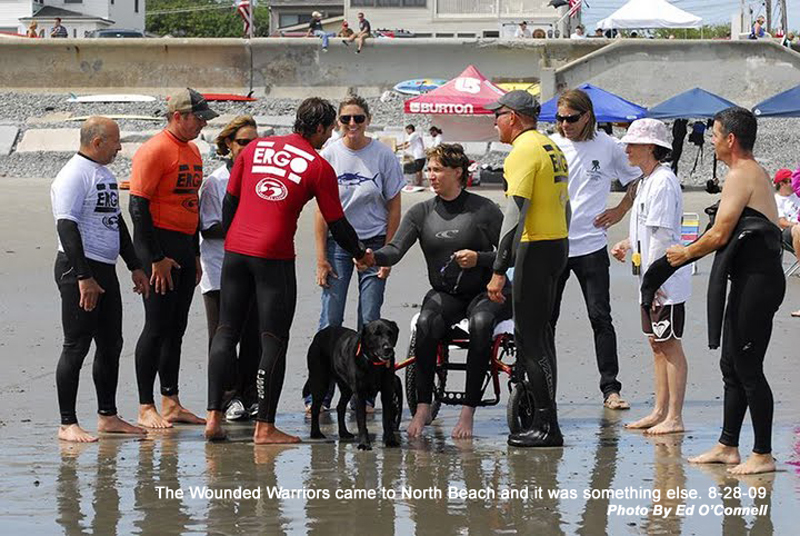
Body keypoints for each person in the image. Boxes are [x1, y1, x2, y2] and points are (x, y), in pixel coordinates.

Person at [204, 98, 368, 443]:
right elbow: (337, 222)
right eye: (331, 129)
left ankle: (213, 419)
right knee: (273, 339)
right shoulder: (318, 166)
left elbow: (229, 202)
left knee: (226, 331)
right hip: (274, 255)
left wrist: (236, 239)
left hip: (235, 252)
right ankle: (264, 427)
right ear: (322, 128)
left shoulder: (255, 149)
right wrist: (361, 254)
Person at [650, 107, 784, 475]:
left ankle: (764, 454)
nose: (710, 140)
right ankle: (728, 445)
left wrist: (684, 254)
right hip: (747, 278)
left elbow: (721, 233)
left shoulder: (743, 174)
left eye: (714, 134)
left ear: (730, 140)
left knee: (748, 366)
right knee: (731, 364)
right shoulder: (742, 174)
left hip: (759, 280)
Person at [359, 143, 510, 439]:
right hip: (446, 293)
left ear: (458, 172)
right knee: (426, 324)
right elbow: (395, 250)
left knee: (480, 324)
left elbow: (510, 253)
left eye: (437, 169)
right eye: (429, 169)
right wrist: (372, 257)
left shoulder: (484, 210)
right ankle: (422, 408)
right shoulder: (421, 212)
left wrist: (479, 259)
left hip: (484, 292)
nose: (431, 175)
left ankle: (467, 413)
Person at [50, 117, 150, 442]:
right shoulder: (73, 175)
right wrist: (83, 276)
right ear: (97, 143)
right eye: (116, 141)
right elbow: (66, 227)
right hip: (77, 269)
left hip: (104, 269)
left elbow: (116, 223)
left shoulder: (103, 174)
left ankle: (108, 416)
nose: (120, 147)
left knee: (111, 343)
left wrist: (134, 265)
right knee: (76, 346)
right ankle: (67, 423)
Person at [304, 95, 404, 412]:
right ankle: (318, 395)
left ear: (368, 119)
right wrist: (320, 258)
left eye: (358, 118)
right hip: (337, 244)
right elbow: (321, 211)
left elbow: (394, 207)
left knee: (370, 319)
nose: (352, 125)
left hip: (373, 243)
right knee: (330, 319)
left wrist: (387, 255)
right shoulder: (330, 155)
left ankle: (368, 392)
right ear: (337, 123)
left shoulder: (383, 155)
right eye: (345, 119)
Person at [483, 90, 570, 447]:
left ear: (514, 118)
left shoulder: (523, 152)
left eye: (499, 115)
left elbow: (514, 215)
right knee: (544, 339)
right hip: (558, 245)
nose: (495, 122)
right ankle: (542, 417)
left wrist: (500, 267)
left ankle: (547, 427)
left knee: (530, 342)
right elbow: (566, 206)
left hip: (535, 249)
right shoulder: (552, 147)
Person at [129, 88, 219, 429]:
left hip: (183, 245)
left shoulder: (193, 151)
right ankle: (144, 405)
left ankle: (171, 401)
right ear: (178, 116)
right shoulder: (154, 150)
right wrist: (155, 258)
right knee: (156, 326)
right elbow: (138, 207)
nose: (201, 125)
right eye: (197, 118)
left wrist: (194, 254)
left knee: (176, 328)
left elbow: (191, 205)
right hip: (158, 245)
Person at [549, 89, 642, 410]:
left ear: (587, 116)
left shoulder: (608, 146)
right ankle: (543, 385)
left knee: (600, 317)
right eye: (560, 119)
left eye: (571, 119)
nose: (564, 125)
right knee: (547, 319)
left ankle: (611, 388)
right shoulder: (550, 145)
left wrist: (620, 210)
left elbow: (638, 179)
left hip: (591, 247)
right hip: (555, 245)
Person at [610, 119, 691, 436]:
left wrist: (653, 283)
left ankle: (675, 416)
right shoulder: (646, 181)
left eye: (633, 144)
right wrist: (627, 243)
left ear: (651, 148)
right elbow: (647, 230)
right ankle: (660, 410)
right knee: (656, 344)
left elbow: (662, 237)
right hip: (650, 280)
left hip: (662, 282)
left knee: (669, 344)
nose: (627, 149)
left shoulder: (662, 182)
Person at [199, 116, 260, 421]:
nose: (249, 148)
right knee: (223, 337)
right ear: (228, 145)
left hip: (254, 267)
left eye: (254, 142)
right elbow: (207, 227)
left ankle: (249, 393)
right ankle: (227, 397)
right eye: (243, 143)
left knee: (253, 337)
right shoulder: (215, 182)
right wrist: (243, 227)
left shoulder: (260, 177)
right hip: (219, 268)